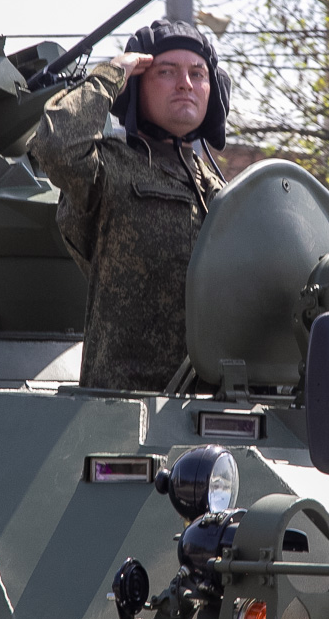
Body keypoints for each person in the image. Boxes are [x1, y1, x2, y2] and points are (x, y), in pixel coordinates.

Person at [30, 19, 230, 391]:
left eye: (198, 73)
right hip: (120, 408)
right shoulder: (109, 168)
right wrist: (112, 74)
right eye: (166, 72)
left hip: (211, 410)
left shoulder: (223, 193)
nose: (185, 83)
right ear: (135, 87)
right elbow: (55, 146)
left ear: (214, 90)